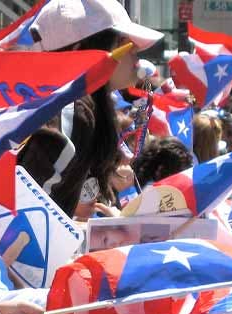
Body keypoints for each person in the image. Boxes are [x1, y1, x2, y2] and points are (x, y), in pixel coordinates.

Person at [20, 0, 162, 219]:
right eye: (123, 41)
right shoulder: (71, 112)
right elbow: (28, 218)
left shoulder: (78, 109)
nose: (135, 50)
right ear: (80, 50)